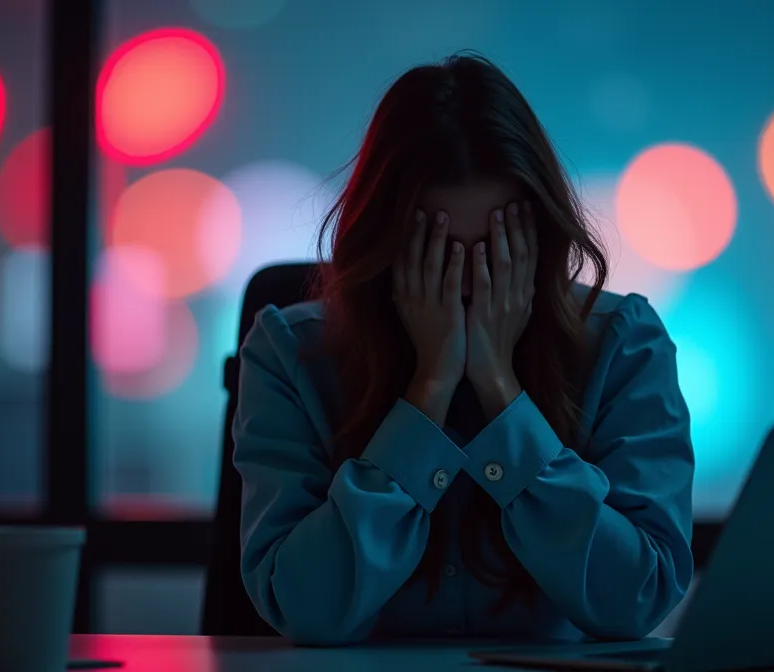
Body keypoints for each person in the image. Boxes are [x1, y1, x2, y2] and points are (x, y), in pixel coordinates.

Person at [232, 52, 694, 646]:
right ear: (386, 242)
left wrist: (503, 395)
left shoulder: (622, 342)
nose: (468, 285)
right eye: (438, 252)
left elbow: (639, 596)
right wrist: (428, 394)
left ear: (540, 240)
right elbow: (303, 608)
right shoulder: (289, 353)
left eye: (496, 251)